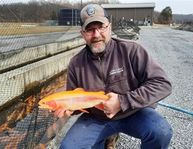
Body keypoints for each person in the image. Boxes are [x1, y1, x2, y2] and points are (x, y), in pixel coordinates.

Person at [55, 4, 173, 149]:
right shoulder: (76, 63)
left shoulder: (131, 51)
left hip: (133, 113)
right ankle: (103, 140)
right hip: (96, 118)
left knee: (161, 132)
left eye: (101, 27)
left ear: (109, 27)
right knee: (69, 147)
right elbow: (76, 101)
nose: (96, 34)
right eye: (90, 29)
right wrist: (70, 108)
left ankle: (110, 137)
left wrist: (123, 102)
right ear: (82, 33)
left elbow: (162, 84)